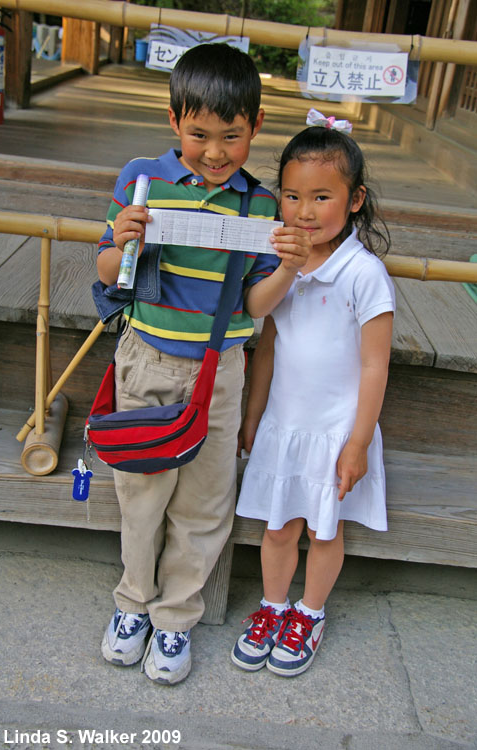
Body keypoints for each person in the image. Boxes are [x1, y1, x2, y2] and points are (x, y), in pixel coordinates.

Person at [96, 43, 312, 685]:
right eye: (198, 134)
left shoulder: (261, 205)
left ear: (256, 127)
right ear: (172, 122)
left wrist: (292, 267)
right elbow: (110, 273)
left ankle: (175, 620)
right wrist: (123, 240)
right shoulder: (143, 180)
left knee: (206, 502)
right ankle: (132, 604)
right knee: (141, 492)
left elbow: (256, 303)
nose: (215, 152)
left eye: (231, 136)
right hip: (148, 356)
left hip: (221, 370)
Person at [231, 114, 395, 678]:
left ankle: (310, 612)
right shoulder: (283, 263)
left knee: (326, 528)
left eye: (322, 196)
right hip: (284, 422)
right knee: (278, 526)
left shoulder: (364, 274)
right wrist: (253, 416)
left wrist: (357, 443)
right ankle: (273, 606)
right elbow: (269, 344)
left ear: (355, 200)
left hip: (335, 430)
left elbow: (375, 365)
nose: (304, 211)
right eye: (293, 195)